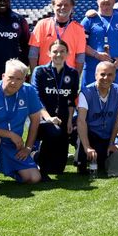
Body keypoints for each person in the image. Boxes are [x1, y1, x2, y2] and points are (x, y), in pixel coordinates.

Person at [0, 59, 45, 190]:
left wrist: (28, 148)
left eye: (18, 79)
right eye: (10, 77)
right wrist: (10, 134)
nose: (13, 82)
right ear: (3, 76)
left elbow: (35, 120)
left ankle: (0, 165)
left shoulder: (29, 91)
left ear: (24, 80)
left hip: (12, 145)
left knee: (34, 178)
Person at [32, 39, 81, 176]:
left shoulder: (73, 73)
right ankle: (38, 158)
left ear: (67, 53)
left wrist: (70, 120)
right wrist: (48, 118)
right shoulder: (40, 71)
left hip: (64, 118)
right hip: (43, 118)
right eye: (55, 51)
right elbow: (37, 98)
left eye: (62, 52)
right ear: (49, 53)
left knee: (58, 169)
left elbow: (72, 99)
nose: (58, 55)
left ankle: (36, 156)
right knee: (53, 130)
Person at [76, 60, 118, 177]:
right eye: (102, 74)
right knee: (83, 170)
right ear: (95, 75)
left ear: (115, 76)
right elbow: (81, 121)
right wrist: (87, 147)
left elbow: (116, 121)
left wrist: (112, 143)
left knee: (104, 162)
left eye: (110, 75)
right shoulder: (86, 92)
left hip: (107, 135)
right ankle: (80, 155)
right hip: (90, 134)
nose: (106, 78)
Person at [82, 0, 118, 89]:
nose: (106, 0)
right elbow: (81, 44)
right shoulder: (88, 20)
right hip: (92, 70)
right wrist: (96, 54)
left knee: (114, 101)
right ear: (97, 0)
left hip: (114, 69)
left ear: (114, 0)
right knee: (89, 100)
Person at [28, 0, 86, 72]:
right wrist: (34, 74)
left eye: (66, 5)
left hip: (67, 75)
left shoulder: (79, 29)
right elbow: (33, 52)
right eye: (59, 5)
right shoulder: (42, 25)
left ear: (72, 7)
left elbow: (80, 57)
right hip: (45, 73)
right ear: (53, 6)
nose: (62, 7)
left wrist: (76, 78)